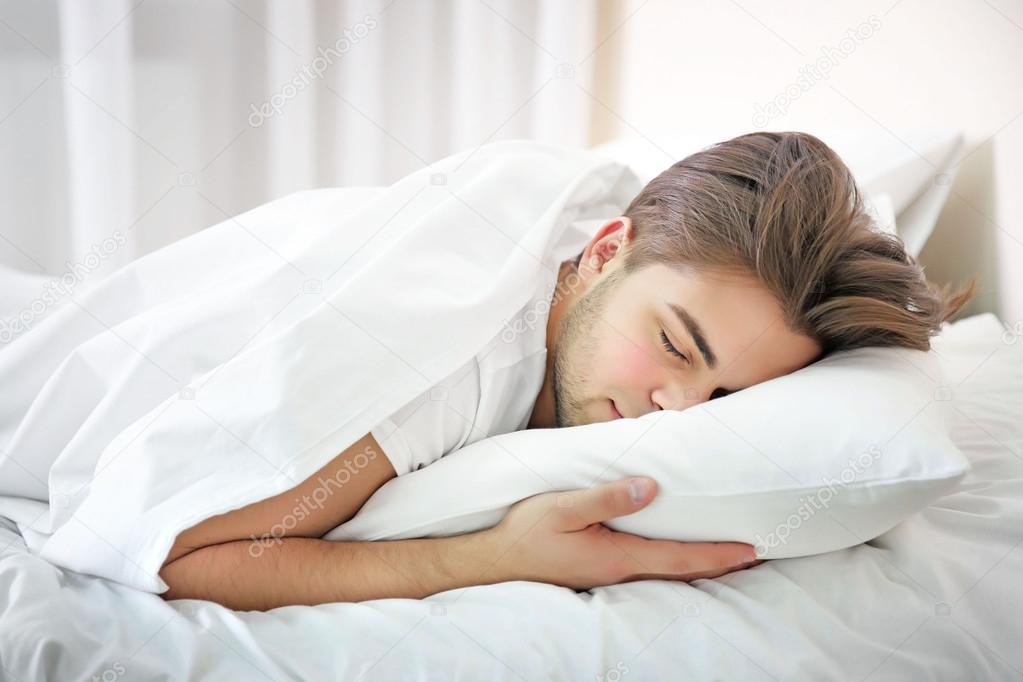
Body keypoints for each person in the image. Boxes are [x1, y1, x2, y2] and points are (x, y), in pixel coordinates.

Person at [158, 131, 975, 610]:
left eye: (728, 397)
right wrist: (489, 557)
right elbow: (186, 559)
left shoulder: (636, 288)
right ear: (605, 249)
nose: (677, 411)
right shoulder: (448, 368)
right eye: (675, 346)